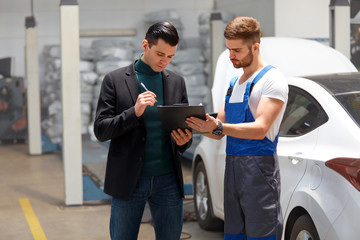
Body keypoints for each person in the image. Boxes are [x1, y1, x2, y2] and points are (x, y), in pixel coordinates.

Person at [186, 16, 288, 240]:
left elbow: (260, 128)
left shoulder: (272, 80)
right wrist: (191, 128)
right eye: (228, 49)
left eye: (237, 50)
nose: (231, 56)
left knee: (262, 236)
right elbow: (218, 131)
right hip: (232, 172)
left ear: (255, 46)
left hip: (259, 174)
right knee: (233, 235)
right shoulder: (234, 84)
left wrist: (219, 126)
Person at [93, 22, 192, 240]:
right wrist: (134, 112)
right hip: (129, 180)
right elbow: (101, 130)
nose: (164, 61)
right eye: (160, 54)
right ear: (145, 45)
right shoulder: (115, 80)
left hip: (168, 180)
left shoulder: (176, 82)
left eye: (170, 57)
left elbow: (182, 134)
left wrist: (184, 139)